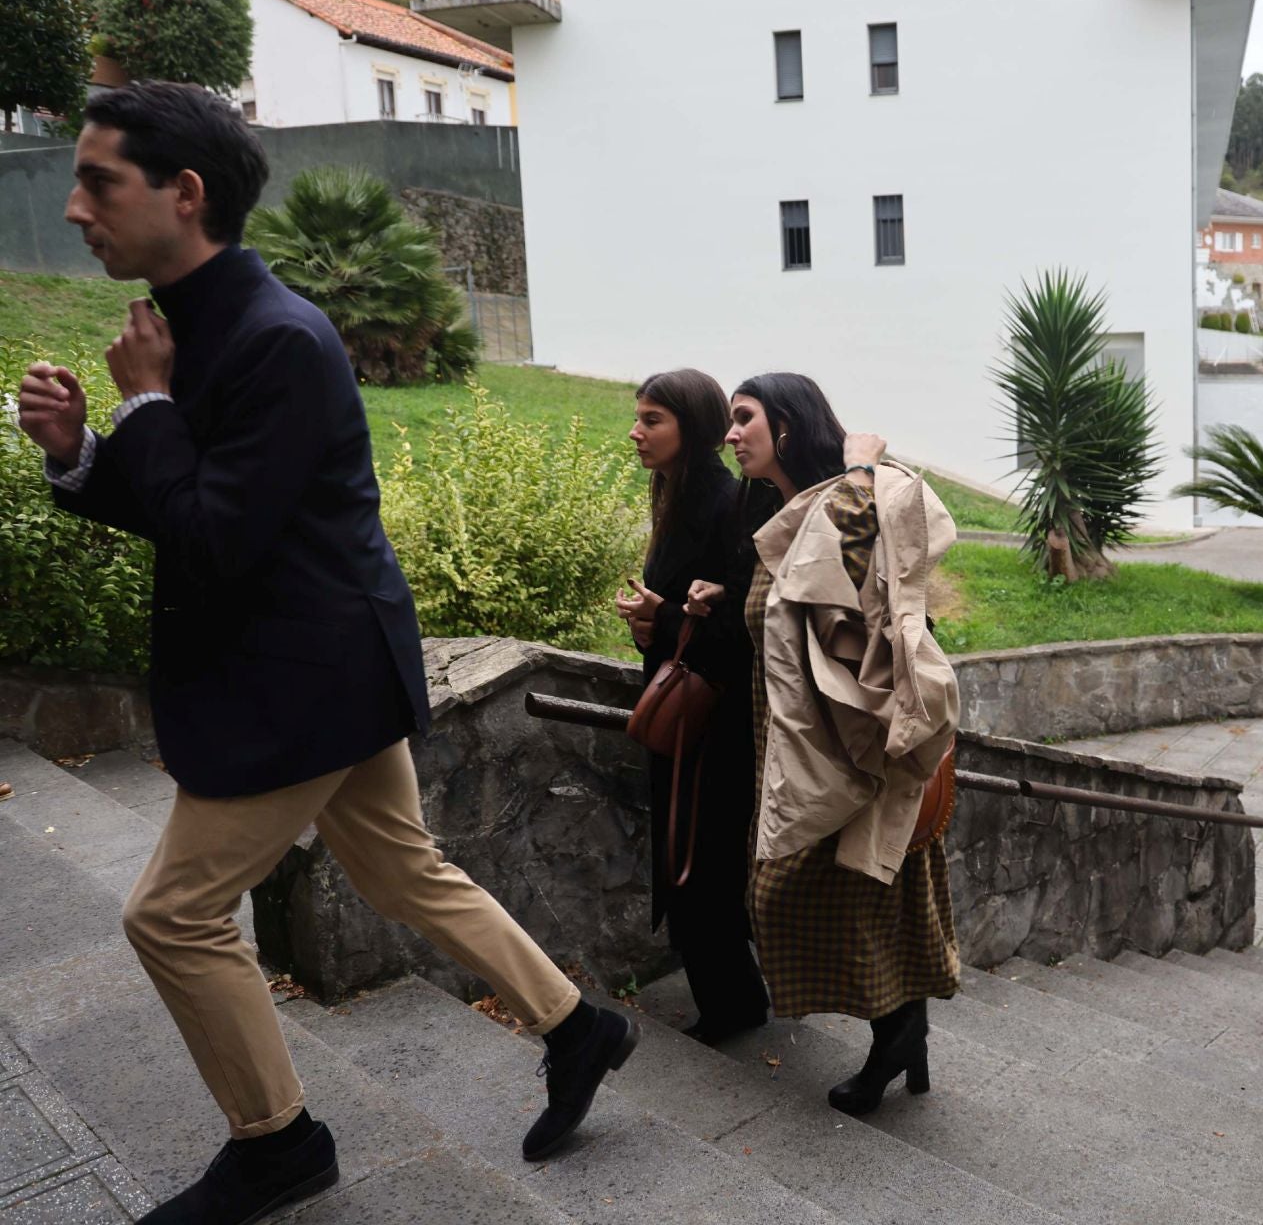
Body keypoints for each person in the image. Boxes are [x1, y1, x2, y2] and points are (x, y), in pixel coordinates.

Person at [14, 82, 633, 1224]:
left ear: (184, 193)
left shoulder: (277, 338)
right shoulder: (189, 326)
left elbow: (215, 538)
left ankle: (278, 1143)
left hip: (302, 678)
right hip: (324, 661)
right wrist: (83, 452)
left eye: (99, 180)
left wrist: (145, 408)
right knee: (404, 869)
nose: (75, 209)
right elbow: (193, 500)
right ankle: (580, 1025)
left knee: (170, 915)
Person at [687, 372, 960, 1116]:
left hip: (849, 744)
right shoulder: (783, 512)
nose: (730, 433)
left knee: (830, 888)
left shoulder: (845, 504)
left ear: (786, 426)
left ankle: (897, 1034)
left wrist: (863, 468)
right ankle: (906, 1032)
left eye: (744, 419)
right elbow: (785, 614)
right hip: (798, 745)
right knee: (846, 889)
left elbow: (875, 581)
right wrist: (718, 598)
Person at [615, 370, 769, 1044]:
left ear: (692, 427)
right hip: (687, 708)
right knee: (691, 856)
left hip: (712, 719)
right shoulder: (675, 491)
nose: (637, 431)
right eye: (639, 417)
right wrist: (651, 621)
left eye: (653, 420)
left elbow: (743, 626)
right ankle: (732, 998)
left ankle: (733, 1006)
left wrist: (670, 614)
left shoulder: (723, 501)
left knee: (702, 862)